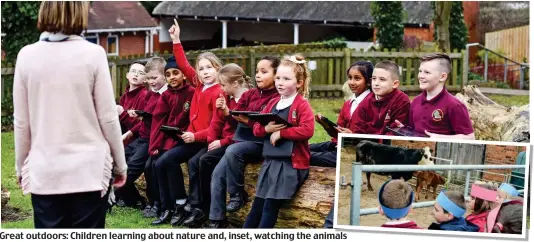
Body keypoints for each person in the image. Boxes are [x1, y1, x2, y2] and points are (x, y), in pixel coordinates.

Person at [13, 1, 126, 228]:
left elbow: (22, 123)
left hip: (46, 172)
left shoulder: (27, 56)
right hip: (89, 172)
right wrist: (120, 165)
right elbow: (108, 117)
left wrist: (20, 166)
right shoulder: (94, 54)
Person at [151, 22, 224, 226]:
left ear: (218, 69)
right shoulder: (199, 85)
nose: (205, 72)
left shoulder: (219, 91)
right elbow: (183, 65)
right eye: (201, 69)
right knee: (165, 161)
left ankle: (196, 207)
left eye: (209, 67)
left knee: (194, 164)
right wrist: (176, 40)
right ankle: (180, 203)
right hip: (191, 139)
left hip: (205, 140)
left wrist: (196, 135)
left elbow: (216, 126)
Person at [208, 56, 280, 228]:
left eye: (264, 72)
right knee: (217, 174)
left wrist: (248, 121)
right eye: (257, 72)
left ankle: (238, 194)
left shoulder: (276, 98)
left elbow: (266, 125)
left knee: (233, 151)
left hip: (260, 142)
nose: (258, 76)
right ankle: (216, 220)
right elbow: (235, 120)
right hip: (240, 140)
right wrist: (227, 112)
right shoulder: (250, 94)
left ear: (276, 74)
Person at [242, 54, 314, 228]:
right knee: (257, 206)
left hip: (290, 165)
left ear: (299, 83)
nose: (280, 82)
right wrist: (266, 129)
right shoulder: (273, 102)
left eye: (286, 79)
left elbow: (308, 129)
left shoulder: (301, 105)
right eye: (278, 78)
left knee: (269, 208)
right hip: (270, 163)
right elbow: (257, 128)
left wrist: (283, 133)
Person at [182, 63, 253, 227]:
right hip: (224, 143)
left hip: (235, 144)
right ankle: (203, 210)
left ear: (235, 83)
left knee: (209, 165)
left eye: (223, 84)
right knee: (200, 160)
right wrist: (210, 141)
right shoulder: (226, 97)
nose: (221, 88)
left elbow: (241, 131)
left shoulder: (248, 98)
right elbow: (216, 122)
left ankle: (212, 214)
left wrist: (222, 141)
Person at [142, 56, 195, 218]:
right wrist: (154, 146)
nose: (172, 77)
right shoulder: (166, 96)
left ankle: (179, 202)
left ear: (184, 75)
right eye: (169, 74)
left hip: (186, 139)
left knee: (165, 162)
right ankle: (165, 207)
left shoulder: (192, 93)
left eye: (175, 73)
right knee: (155, 164)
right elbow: (158, 121)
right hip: (168, 139)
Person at [119, 57, 168, 211]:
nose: (151, 82)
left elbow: (154, 121)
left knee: (140, 168)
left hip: (149, 139)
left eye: (140, 73)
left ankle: (150, 203)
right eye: (149, 78)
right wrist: (128, 133)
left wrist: (126, 116)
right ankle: (132, 199)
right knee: (118, 163)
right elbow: (144, 121)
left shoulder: (155, 95)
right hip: (140, 137)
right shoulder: (145, 94)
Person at [396, 53, 475, 140]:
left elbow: (470, 138)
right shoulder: (415, 102)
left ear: (442, 77)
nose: (421, 76)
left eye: (427, 72)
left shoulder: (454, 105)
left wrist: (440, 138)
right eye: (420, 71)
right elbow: (414, 131)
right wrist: (405, 130)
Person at [310, 61, 373, 168]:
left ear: (368, 81)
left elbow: (373, 136)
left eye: (357, 78)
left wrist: (352, 136)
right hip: (338, 144)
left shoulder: (372, 103)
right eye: (350, 78)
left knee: (307, 156)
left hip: (354, 152)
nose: (352, 82)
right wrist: (326, 126)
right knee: (304, 148)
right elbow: (338, 133)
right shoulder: (348, 103)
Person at [347, 61, 410, 135]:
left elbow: (395, 132)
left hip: (389, 144)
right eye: (374, 79)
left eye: (382, 79)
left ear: (395, 84)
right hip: (366, 144)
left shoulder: (401, 101)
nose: (376, 83)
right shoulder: (366, 102)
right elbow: (358, 129)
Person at [117, 62, 148, 162]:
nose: (136, 74)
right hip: (122, 139)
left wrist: (122, 114)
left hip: (134, 141)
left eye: (140, 73)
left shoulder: (144, 96)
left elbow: (140, 125)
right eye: (133, 71)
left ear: (146, 79)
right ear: (127, 75)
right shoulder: (125, 95)